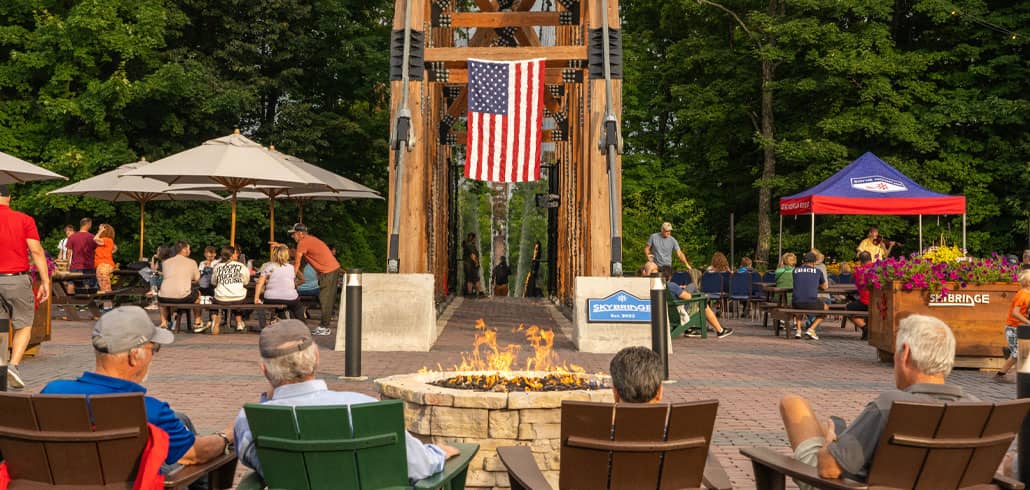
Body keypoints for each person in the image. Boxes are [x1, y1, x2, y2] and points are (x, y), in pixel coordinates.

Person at [233, 320, 460, 481]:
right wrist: (439, 453)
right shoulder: (364, 407)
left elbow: (259, 465)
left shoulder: (250, 420)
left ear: (264, 370)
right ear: (316, 358)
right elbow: (419, 466)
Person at [778, 314, 975, 487]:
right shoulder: (976, 406)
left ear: (905, 353)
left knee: (793, 404)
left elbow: (829, 469)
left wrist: (829, 444)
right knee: (829, 426)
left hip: (843, 484)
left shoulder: (891, 405)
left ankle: (836, 437)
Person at [42, 306, 234, 467]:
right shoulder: (149, 411)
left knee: (180, 419)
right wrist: (226, 436)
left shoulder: (52, 392)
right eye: (154, 348)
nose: (154, 355)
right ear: (134, 356)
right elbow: (195, 454)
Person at [0, 185, 51, 389]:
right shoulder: (24, 219)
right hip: (16, 279)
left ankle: (1, 364)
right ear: (9, 197)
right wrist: (45, 281)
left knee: (0, 325)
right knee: (23, 324)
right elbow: (36, 252)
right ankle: (13, 365)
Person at [286, 223, 340, 336]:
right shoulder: (309, 240)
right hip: (328, 271)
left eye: (293, 234)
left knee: (325, 300)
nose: (292, 236)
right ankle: (323, 326)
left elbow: (297, 262)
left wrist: (291, 278)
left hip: (328, 271)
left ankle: (325, 327)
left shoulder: (303, 242)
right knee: (324, 299)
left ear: (300, 234)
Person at [661, 265, 733, 339]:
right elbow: (688, 297)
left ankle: (690, 329)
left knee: (696, 293)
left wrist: (679, 289)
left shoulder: (658, 286)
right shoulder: (672, 285)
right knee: (696, 292)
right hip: (680, 313)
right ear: (670, 276)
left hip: (668, 314)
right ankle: (720, 331)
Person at [994, 269, 1030, 381]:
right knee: (1017, 354)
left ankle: (1016, 374)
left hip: (1021, 327)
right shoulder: (1022, 295)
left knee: (1021, 352)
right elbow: (1015, 313)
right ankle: (1000, 375)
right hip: (1013, 328)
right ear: (1028, 282)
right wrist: (1028, 322)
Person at [254, 244, 304, 322]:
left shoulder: (269, 267)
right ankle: (302, 323)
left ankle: (277, 319)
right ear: (287, 255)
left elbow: (259, 283)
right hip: (290, 298)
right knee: (298, 307)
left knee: (275, 302)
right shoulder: (292, 268)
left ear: (274, 255)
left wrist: (256, 298)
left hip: (271, 298)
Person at [157, 241, 199, 329]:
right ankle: (197, 321)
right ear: (184, 250)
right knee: (198, 294)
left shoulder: (166, 262)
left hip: (163, 297)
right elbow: (196, 279)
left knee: (163, 296)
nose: (190, 251)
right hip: (182, 297)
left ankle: (164, 322)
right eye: (189, 248)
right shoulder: (192, 262)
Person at [208, 246, 250, 334]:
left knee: (214, 301)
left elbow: (213, 282)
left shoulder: (217, 266)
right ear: (231, 255)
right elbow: (246, 282)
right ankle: (239, 322)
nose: (237, 255)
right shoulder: (241, 266)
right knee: (240, 298)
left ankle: (214, 319)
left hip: (221, 298)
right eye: (235, 253)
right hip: (238, 298)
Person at [792, 252, 828, 340]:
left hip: (796, 302)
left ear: (803, 261)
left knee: (799, 307)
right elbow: (825, 287)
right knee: (826, 308)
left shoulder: (795, 270)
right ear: (814, 262)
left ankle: (798, 331)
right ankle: (811, 329)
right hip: (811, 301)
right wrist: (817, 285)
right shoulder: (818, 271)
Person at [65, 217, 97, 293]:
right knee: (87, 283)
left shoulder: (72, 237)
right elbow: (96, 251)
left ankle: (68, 303)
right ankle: (85, 303)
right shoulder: (92, 237)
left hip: (75, 265)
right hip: (88, 265)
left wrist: (67, 264)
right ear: (88, 224)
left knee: (71, 283)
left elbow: (68, 253)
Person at [847, 252, 874, 340]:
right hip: (878, 301)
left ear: (860, 260)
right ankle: (867, 329)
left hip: (865, 302)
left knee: (848, 308)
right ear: (871, 258)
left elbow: (854, 279)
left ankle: (864, 328)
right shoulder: (879, 268)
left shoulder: (858, 271)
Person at [93, 224, 117, 295]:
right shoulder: (106, 241)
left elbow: (95, 239)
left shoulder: (107, 240)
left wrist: (100, 231)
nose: (98, 231)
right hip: (102, 266)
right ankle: (107, 305)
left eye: (99, 230)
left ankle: (108, 305)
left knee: (105, 289)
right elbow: (115, 249)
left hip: (104, 266)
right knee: (104, 288)